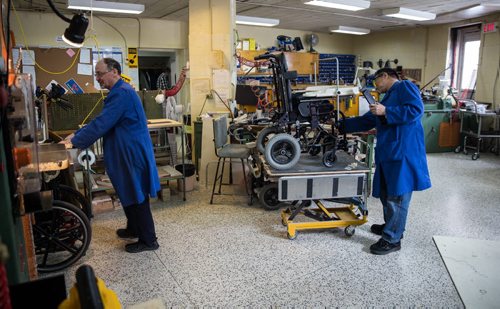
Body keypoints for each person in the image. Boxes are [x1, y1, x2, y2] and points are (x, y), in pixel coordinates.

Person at [63, 58, 161, 253]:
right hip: (125, 151)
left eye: (100, 74)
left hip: (131, 153)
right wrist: (75, 134)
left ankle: (149, 240)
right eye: (96, 74)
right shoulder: (118, 92)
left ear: (114, 71)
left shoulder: (122, 93)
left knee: (137, 193)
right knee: (128, 190)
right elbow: (102, 120)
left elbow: (102, 123)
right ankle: (134, 228)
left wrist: (74, 142)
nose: (97, 78)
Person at [342, 68, 431, 255]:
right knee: (386, 193)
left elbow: (416, 110)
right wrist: (341, 124)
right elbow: (370, 120)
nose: (375, 85)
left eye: (376, 81)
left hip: (403, 152)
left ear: (385, 76)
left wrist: (387, 110)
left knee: (397, 196)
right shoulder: (388, 96)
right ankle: (390, 226)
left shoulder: (404, 86)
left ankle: (392, 239)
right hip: (390, 152)